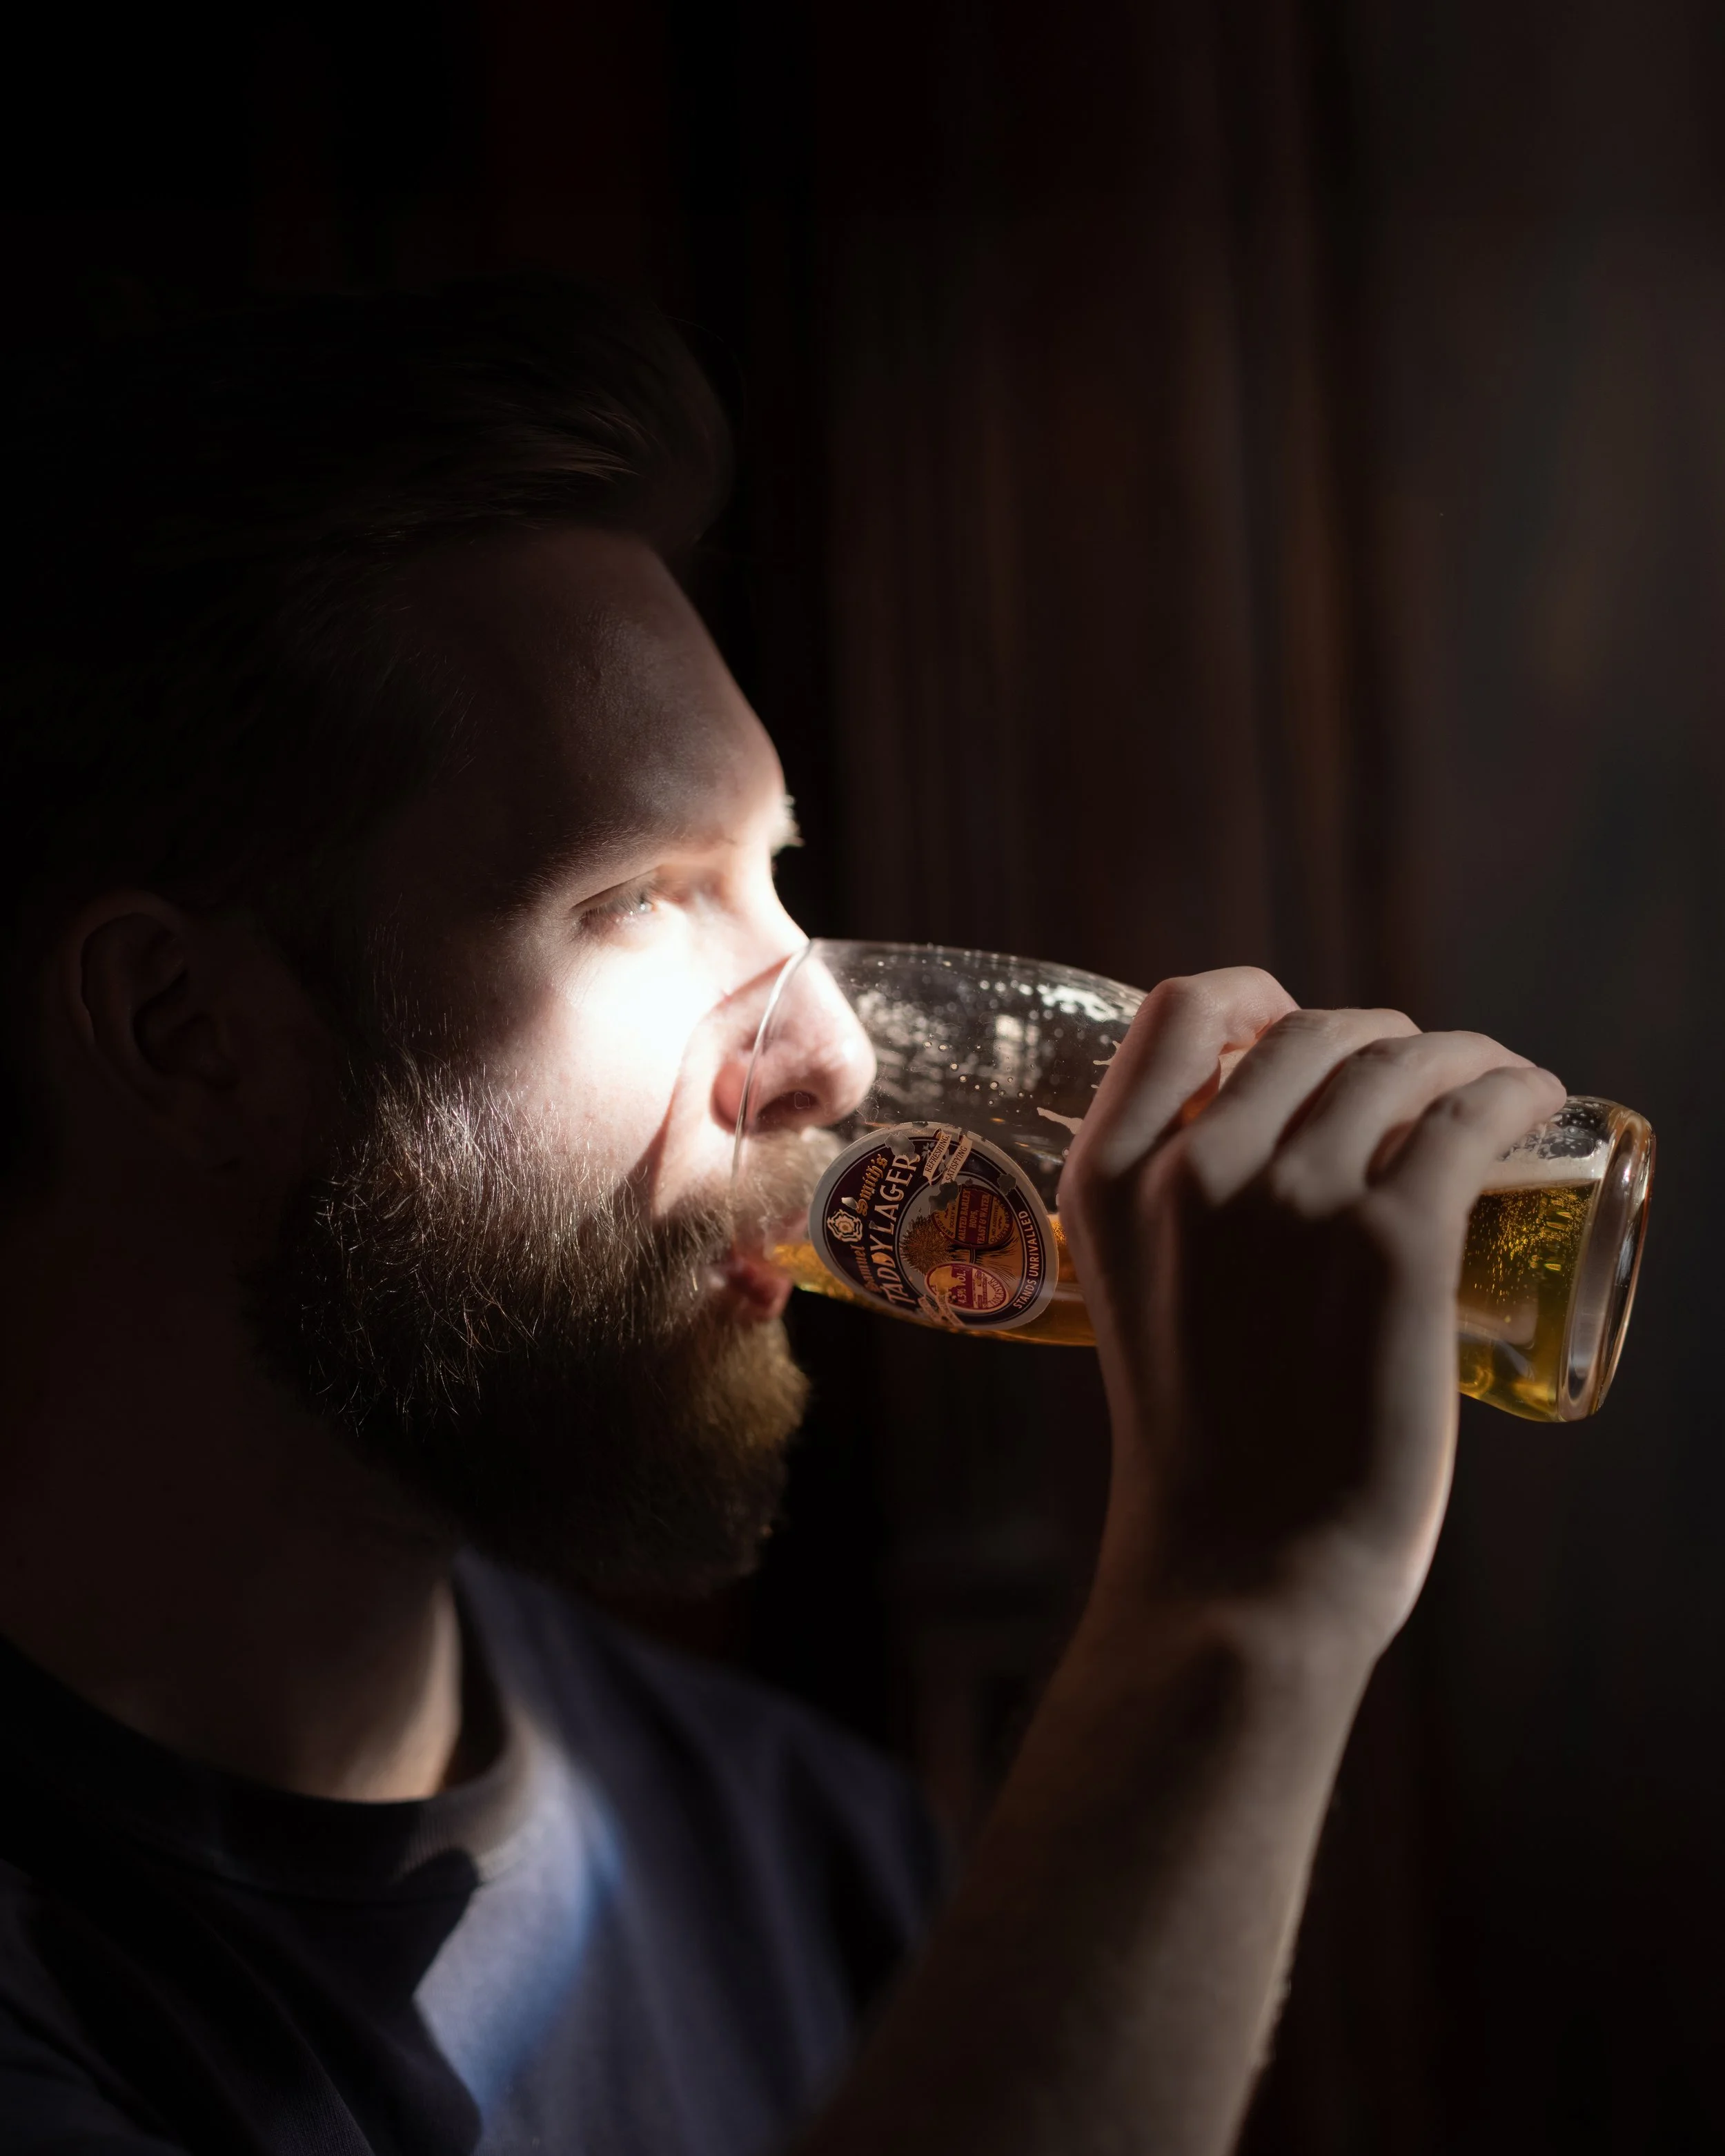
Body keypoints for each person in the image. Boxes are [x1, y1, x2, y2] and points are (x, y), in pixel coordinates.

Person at [0, 277, 1561, 2156]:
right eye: (640, 897)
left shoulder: (805, 1849)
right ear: (188, 1033)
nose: (821, 1040)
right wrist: (1239, 1614)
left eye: (774, 878)